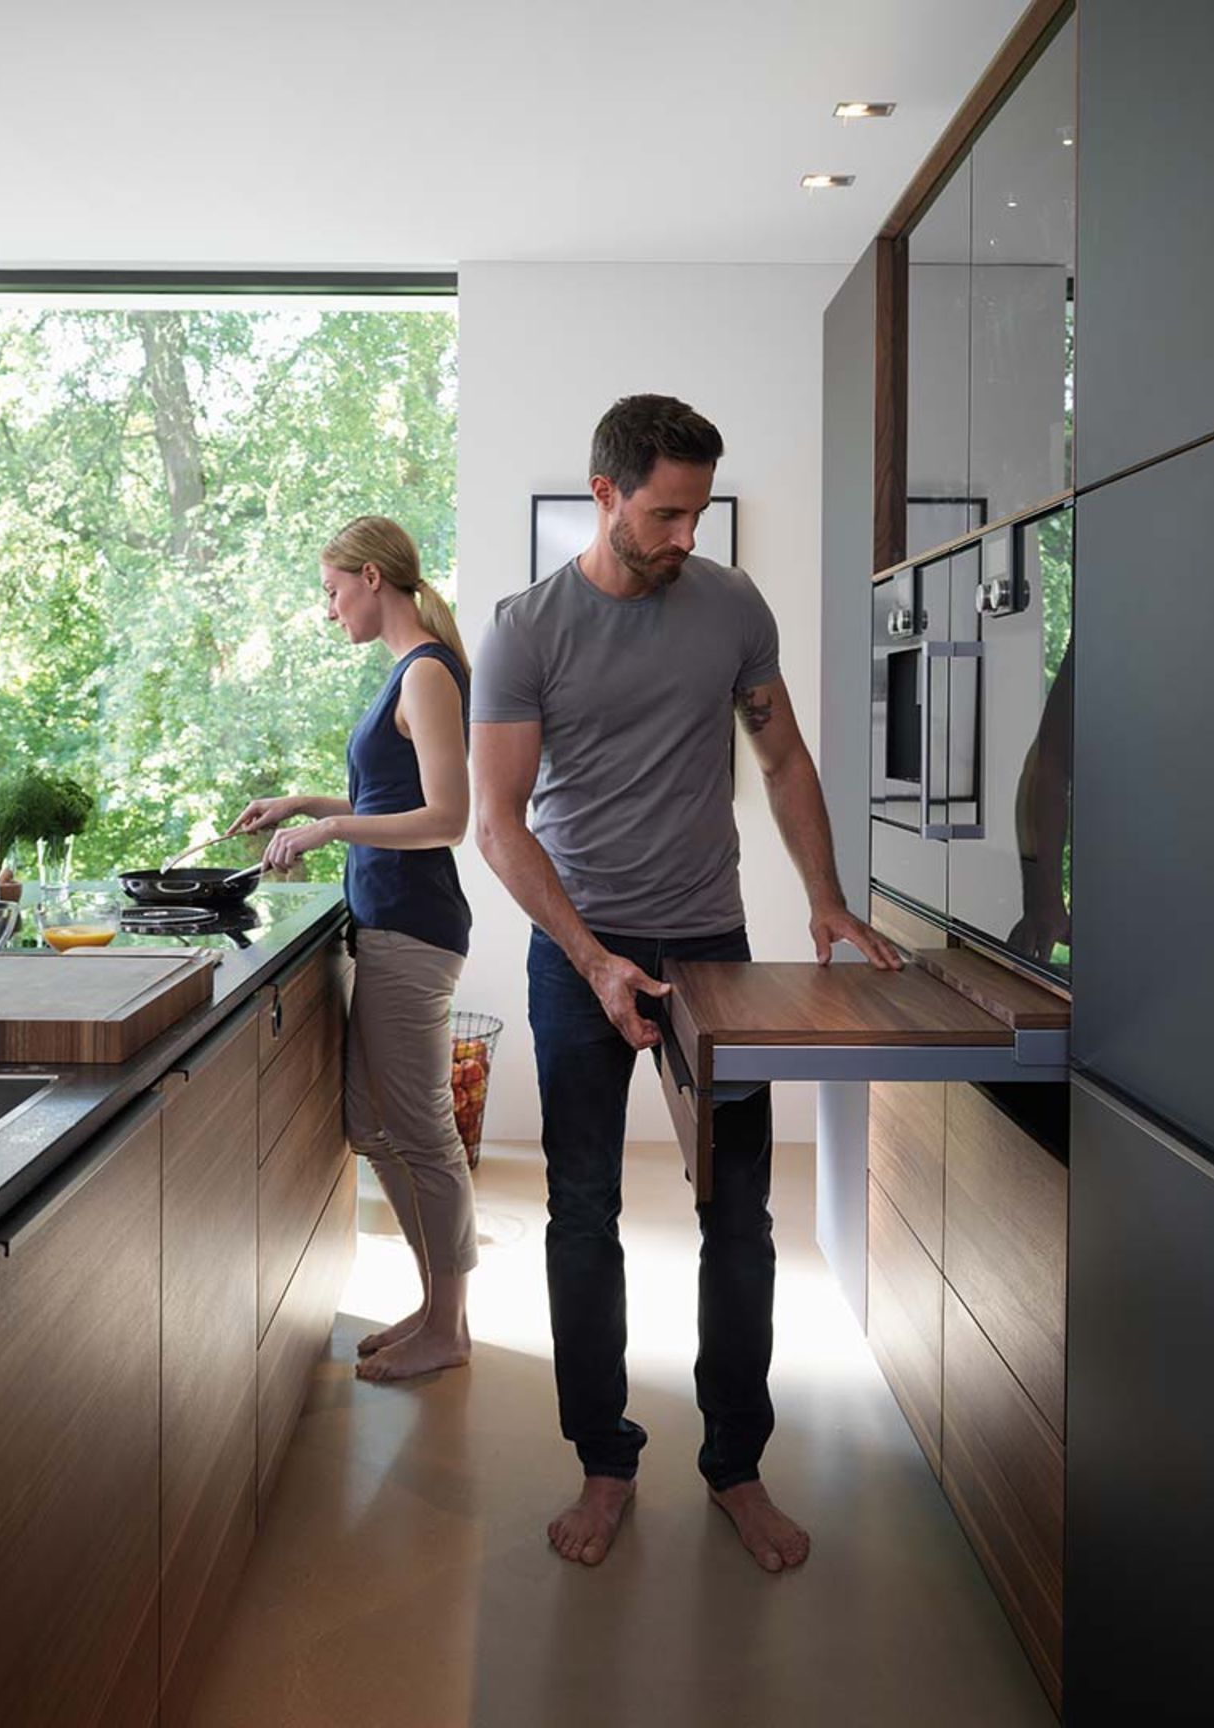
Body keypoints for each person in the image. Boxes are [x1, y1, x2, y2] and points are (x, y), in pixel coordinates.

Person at [471, 394, 900, 1571]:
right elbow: (500, 827)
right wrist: (594, 956)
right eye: (664, 513)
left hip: (711, 949)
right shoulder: (526, 631)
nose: (684, 537)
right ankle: (605, 1462)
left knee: (741, 1219)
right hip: (579, 955)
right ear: (603, 493)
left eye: (697, 513)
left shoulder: (730, 608)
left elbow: (781, 753)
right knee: (584, 1212)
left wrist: (822, 895)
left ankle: (737, 1466)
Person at [228, 515, 477, 1383]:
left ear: (373, 578)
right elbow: (394, 792)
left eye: (333, 592)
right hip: (386, 922)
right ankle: (434, 1305)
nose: (329, 611)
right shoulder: (407, 675)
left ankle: (450, 1324)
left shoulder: (429, 675)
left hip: (416, 929)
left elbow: (448, 817)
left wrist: (333, 827)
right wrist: (307, 803)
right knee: (373, 1126)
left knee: (421, 1132)